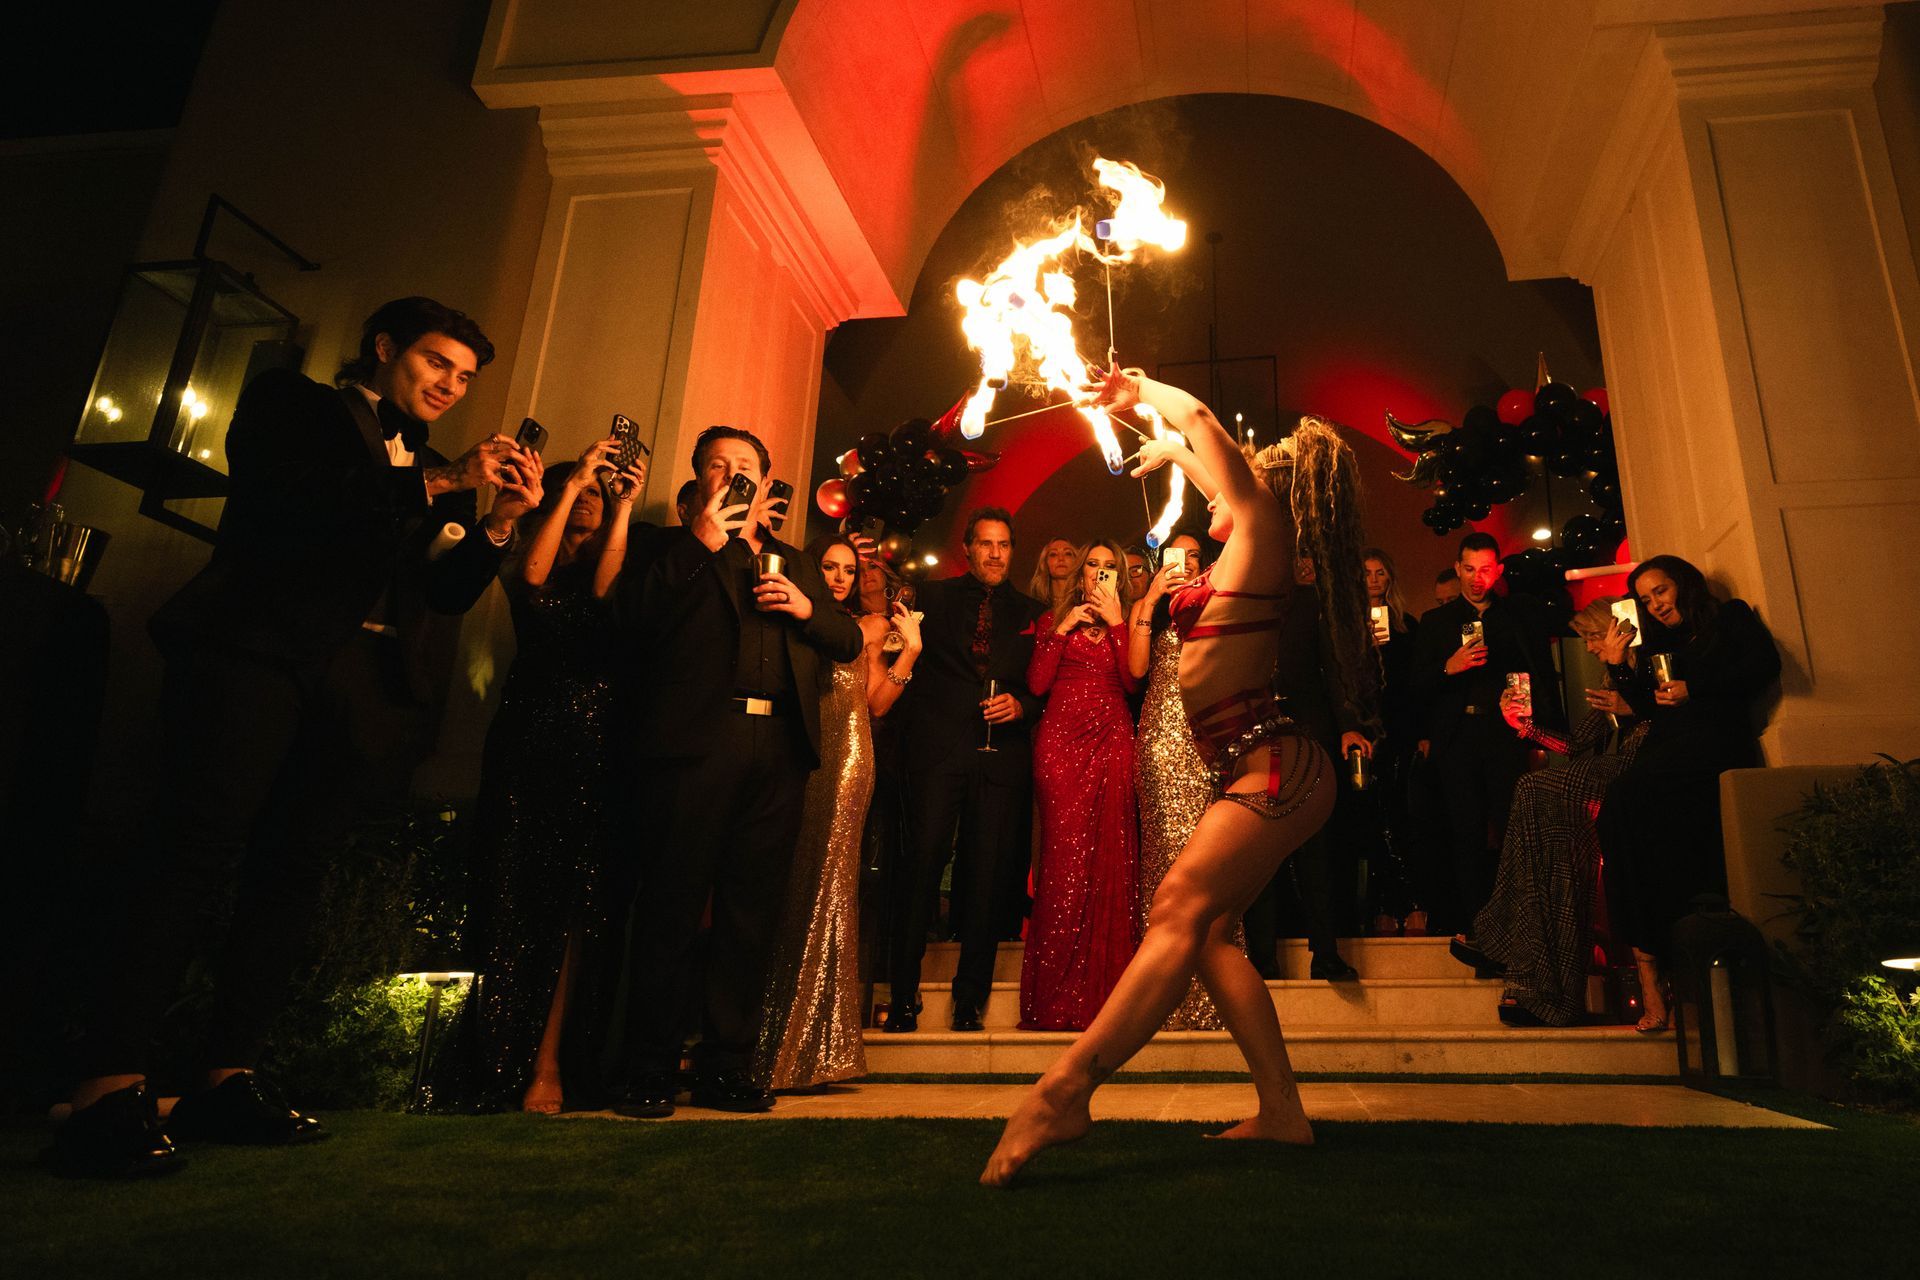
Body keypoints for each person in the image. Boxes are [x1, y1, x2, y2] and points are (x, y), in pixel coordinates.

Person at [51, 297, 534, 1177]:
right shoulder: (293, 403)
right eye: (436, 362)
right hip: (256, 653)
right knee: (191, 851)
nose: (449, 386)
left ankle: (226, 1076)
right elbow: (295, 500)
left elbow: (444, 591)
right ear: (384, 347)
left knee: (292, 873)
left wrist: (497, 522)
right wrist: (437, 479)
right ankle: (106, 1085)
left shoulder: (424, 463)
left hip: (358, 688)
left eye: (464, 378)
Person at [983, 371, 1373, 1186]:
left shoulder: (1266, 524)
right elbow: (1205, 459)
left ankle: (1064, 1091)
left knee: (1176, 909)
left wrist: (1138, 390)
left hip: (1279, 767)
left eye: (1233, 480)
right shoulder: (1248, 538)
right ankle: (1282, 1112)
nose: (1213, 493)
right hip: (1265, 765)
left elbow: (1201, 418)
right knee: (1208, 933)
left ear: (1265, 490)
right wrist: (1172, 451)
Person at [606, 426, 863, 1118]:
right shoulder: (669, 546)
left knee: (751, 917)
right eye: (719, 465)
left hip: (778, 748)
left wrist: (808, 610)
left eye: (746, 465)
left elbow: (849, 638)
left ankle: (727, 1066)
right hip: (695, 745)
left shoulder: (793, 561)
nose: (733, 475)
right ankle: (648, 1068)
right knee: (671, 908)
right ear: (700, 478)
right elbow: (627, 620)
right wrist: (700, 543)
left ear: (766, 479)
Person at [425, 439, 646, 1114]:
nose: (586, 502)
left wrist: (623, 502)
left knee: (581, 906)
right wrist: (577, 472)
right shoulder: (529, 554)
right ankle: (497, 1056)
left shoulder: (615, 564)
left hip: (601, 743)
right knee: (515, 898)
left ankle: (550, 1066)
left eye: (592, 496)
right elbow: (531, 580)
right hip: (529, 739)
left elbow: (608, 588)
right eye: (576, 493)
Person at [752, 535, 921, 1090]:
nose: (840, 577)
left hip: (848, 758)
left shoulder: (867, 628)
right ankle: (768, 1039)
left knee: (829, 883)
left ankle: (814, 1046)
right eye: (829, 566)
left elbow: (873, 703)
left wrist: (909, 656)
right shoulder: (789, 614)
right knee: (784, 883)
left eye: (849, 569)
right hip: (794, 752)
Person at [1596, 556, 1780, 1033]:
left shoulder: (1730, 617)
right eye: (1645, 599)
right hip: (1669, 747)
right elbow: (1644, 707)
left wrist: (1693, 688)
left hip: (1715, 743)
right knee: (1617, 810)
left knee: (1631, 804)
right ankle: (1647, 966)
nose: (1654, 605)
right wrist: (1619, 666)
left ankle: (1670, 966)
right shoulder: (1661, 642)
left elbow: (1762, 666)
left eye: (1660, 591)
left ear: (1684, 584)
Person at [1450, 598, 1647, 1026]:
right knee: (1537, 807)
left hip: (1643, 769)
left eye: (1594, 637)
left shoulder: (1651, 665)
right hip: (1609, 773)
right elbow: (1577, 745)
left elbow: (1673, 721)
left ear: (1619, 630)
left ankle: (1496, 932)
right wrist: (1525, 728)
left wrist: (1635, 704)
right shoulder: (1609, 672)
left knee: (1534, 787)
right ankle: (1524, 957)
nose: (1591, 648)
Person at [888, 508, 1046, 1033]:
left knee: (985, 881)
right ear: (968, 548)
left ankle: (968, 1001)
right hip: (936, 754)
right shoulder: (929, 599)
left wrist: (1021, 706)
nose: (996, 553)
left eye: (1004, 544)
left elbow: (1045, 686)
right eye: (986, 544)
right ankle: (903, 996)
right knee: (920, 871)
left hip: (1002, 758)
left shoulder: (1034, 611)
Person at [1410, 533, 1562, 933]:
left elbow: (1539, 673)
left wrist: (1532, 722)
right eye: (1470, 569)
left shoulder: (1517, 616)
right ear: (1458, 568)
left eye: (1486, 569)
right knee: (1466, 832)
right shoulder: (1436, 621)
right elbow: (1413, 686)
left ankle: (1520, 925)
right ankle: (1477, 927)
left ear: (1498, 571)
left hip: (1504, 734)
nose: (1478, 578)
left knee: (1513, 828)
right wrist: (1449, 667)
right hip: (1457, 737)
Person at [1021, 539, 1142, 1030]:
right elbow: (1035, 684)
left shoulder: (1131, 618)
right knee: (1062, 860)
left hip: (1113, 738)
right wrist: (1062, 630)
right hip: (1059, 745)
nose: (1099, 573)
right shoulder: (1055, 619)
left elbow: (1135, 683)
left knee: (1113, 859)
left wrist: (1116, 623)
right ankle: (1054, 997)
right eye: (1092, 564)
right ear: (1081, 573)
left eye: (1109, 566)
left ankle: (1109, 998)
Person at [1128, 534, 1241, 1030]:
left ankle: (1212, 987)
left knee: (1210, 860)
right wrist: (1152, 598)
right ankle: (1157, 990)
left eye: (1193, 554)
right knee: (1163, 853)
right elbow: (1134, 669)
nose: (1184, 562)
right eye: (1175, 554)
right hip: (1159, 737)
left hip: (1207, 738)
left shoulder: (1219, 601)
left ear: (1205, 563)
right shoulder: (1149, 607)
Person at [1242, 555, 1371, 981]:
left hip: (1307, 729)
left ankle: (1326, 951)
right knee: (1259, 846)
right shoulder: (1242, 600)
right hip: (1254, 734)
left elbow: (1333, 668)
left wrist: (1348, 727)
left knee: (1316, 844)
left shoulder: (1313, 601)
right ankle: (1262, 958)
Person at [1360, 548, 1423, 934]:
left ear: (1390, 578)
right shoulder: (1346, 627)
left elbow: (1414, 685)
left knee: (1401, 815)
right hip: (1364, 731)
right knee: (1371, 817)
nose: (1373, 579)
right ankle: (1385, 903)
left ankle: (1410, 903)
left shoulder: (1407, 626)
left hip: (1398, 729)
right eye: (1367, 573)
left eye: (1380, 572)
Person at [1027, 536, 1079, 618]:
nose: (1061, 558)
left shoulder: (1084, 603)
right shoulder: (1034, 607)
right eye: (1053, 554)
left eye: (1067, 554)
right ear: (1045, 563)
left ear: (1076, 561)